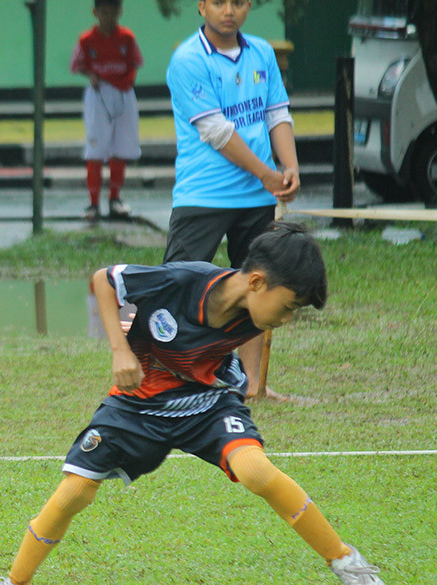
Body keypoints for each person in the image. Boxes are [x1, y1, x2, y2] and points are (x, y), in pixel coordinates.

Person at [0, 222, 388, 585]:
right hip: (137, 404)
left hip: (206, 403)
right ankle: (16, 583)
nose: (286, 319)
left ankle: (346, 561)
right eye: (288, 307)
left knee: (255, 471)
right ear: (257, 282)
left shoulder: (254, 308)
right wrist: (120, 350)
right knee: (75, 492)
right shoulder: (181, 281)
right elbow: (103, 279)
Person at [164, 0, 299, 398]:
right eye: (219, 2)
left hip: (257, 196)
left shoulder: (261, 52)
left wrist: (289, 167)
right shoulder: (187, 59)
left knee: (259, 284)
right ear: (201, 6)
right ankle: (173, 378)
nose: (229, 11)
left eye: (238, 2)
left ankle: (253, 385)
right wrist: (268, 173)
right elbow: (216, 131)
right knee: (177, 285)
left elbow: (277, 114)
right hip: (203, 194)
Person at [70, 0, 143, 222]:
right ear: (95, 12)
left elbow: (134, 63)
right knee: (95, 147)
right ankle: (93, 203)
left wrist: (126, 81)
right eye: (104, 11)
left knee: (121, 145)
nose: (108, 16)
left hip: (123, 94)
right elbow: (76, 65)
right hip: (99, 93)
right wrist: (91, 75)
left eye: (113, 11)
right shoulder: (86, 40)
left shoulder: (127, 38)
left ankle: (115, 199)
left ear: (120, 12)